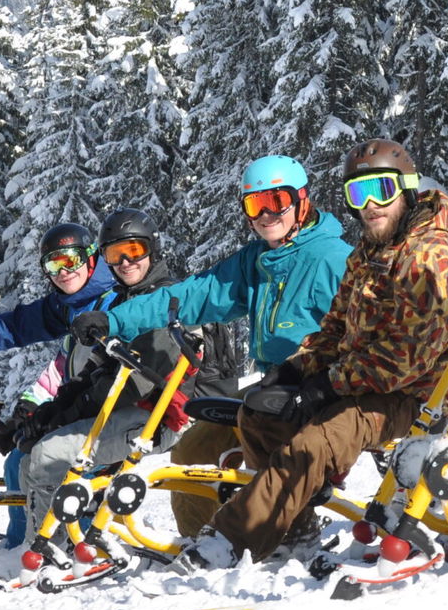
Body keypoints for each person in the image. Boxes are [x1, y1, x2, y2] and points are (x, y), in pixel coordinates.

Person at [175, 139, 448, 568]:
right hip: (364, 384)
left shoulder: (429, 257)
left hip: (415, 397)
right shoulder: (369, 254)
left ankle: (230, 541)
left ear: (407, 191)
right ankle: (293, 532)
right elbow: (334, 328)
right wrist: (297, 370)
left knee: (315, 441)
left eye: (382, 191)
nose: (370, 205)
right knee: (259, 415)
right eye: (359, 193)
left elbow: (406, 359)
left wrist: (325, 385)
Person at [105, 155, 353, 537]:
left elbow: (370, 326)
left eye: (277, 202)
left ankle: (290, 533)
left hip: (321, 389)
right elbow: (190, 294)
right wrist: (114, 320)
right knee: (194, 449)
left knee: (260, 442)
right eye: (255, 205)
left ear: (302, 201)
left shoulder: (333, 259)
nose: (266, 215)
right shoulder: (257, 262)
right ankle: (203, 544)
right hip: (272, 389)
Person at [2, 210, 184, 549]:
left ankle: (47, 550)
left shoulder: (161, 300)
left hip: (161, 418)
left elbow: (137, 381)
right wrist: (47, 412)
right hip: (131, 411)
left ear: (151, 250)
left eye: (135, 250)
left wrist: (68, 415)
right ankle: (34, 544)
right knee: (27, 459)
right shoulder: (123, 302)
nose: (127, 262)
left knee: (50, 453)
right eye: (116, 255)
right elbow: (91, 371)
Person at [0, 221, 115, 552]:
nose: (62, 272)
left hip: (112, 415)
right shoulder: (70, 305)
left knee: (42, 462)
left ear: (91, 258)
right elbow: (15, 328)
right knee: (16, 460)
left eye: (70, 260)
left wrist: (51, 419)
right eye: (53, 264)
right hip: (80, 408)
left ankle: (78, 544)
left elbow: (105, 378)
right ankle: (23, 545)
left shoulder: (115, 302)